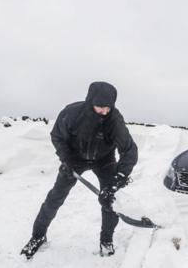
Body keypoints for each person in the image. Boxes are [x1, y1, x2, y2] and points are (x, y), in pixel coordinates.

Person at [21, 81, 138, 258]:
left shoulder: (114, 120)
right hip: (74, 159)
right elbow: (57, 136)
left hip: (104, 160)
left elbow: (129, 149)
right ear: (90, 101)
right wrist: (67, 159)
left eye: (108, 107)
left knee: (110, 201)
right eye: (100, 107)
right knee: (55, 197)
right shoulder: (72, 113)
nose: (104, 112)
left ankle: (106, 240)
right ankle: (38, 236)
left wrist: (118, 179)